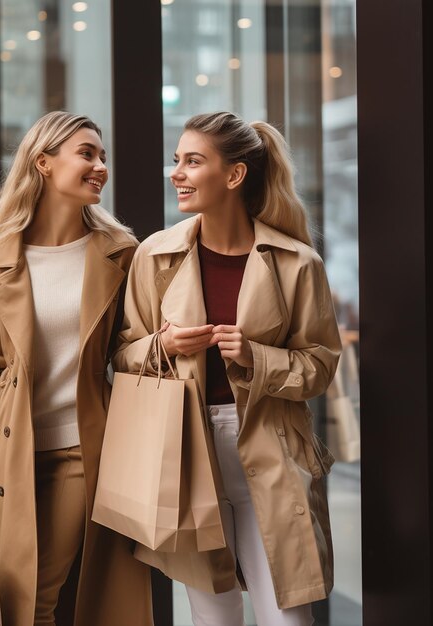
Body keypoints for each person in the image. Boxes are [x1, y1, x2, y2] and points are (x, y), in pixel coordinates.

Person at [114, 112, 342, 626]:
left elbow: (321, 366)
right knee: (212, 616)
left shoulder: (297, 263)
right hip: (185, 451)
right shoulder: (154, 256)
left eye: (193, 162)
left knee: (289, 616)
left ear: (234, 175)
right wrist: (164, 344)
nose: (177, 173)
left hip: (272, 444)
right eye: (177, 161)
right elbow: (123, 357)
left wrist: (256, 357)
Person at [0, 112, 153, 626]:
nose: (100, 166)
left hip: (78, 451)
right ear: (43, 162)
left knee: (36, 597)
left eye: (102, 156)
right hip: (8, 455)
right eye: (87, 153)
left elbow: (129, 348)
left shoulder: (120, 253)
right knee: (2, 597)